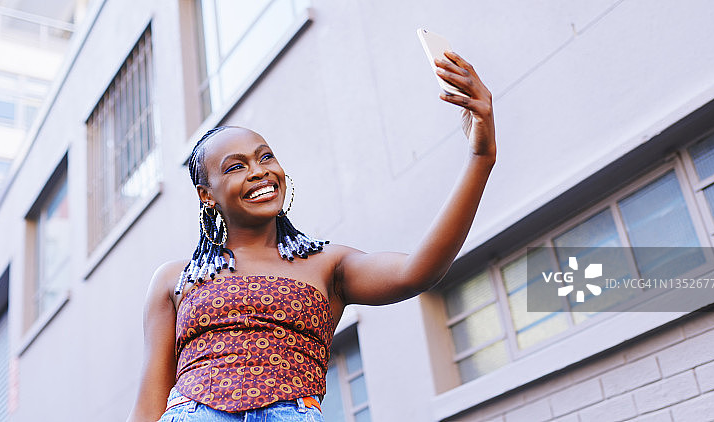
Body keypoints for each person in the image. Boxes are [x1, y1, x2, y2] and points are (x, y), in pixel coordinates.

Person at [126, 51, 496, 422]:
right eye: (236, 167)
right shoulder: (176, 279)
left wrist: (480, 157)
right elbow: (147, 408)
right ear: (206, 195)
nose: (259, 172)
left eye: (265, 157)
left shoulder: (327, 265)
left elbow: (418, 271)